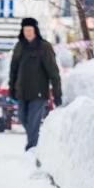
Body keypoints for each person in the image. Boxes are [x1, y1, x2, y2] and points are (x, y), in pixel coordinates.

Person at [9, 17, 62, 151]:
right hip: (22, 91)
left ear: (35, 30)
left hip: (39, 92)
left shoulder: (44, 47)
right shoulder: (19, 46)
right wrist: (12, 88)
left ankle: (32, 147)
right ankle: (35, 143)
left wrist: (57, 94)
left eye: (30, 30)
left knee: (33, 120)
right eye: (25, 30)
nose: (27, 33)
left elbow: (53, 72)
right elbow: (13, 69)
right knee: (22, 117)